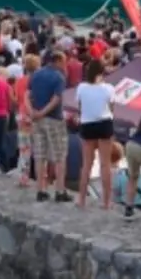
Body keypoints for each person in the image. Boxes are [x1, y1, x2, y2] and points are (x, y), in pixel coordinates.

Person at [26, 49, 69, 202]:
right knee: (59, 156)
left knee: (39, 155)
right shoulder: (59, 77)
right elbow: (56, 99)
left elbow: (27, 95)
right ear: (57, 61)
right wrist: (43, 112)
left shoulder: (35, 74)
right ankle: (59, 190)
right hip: (53, 119)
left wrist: (32, 112)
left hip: (36, 119)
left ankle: (40, 190)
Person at [74, 58, 114, 209]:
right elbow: (111, 108)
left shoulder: (81, 88)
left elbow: (80, 106)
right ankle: (106, 201)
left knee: (87, 164)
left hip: (87, 124)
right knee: (105, 164)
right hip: (104, 123)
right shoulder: (108, 88)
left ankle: (81, 199)